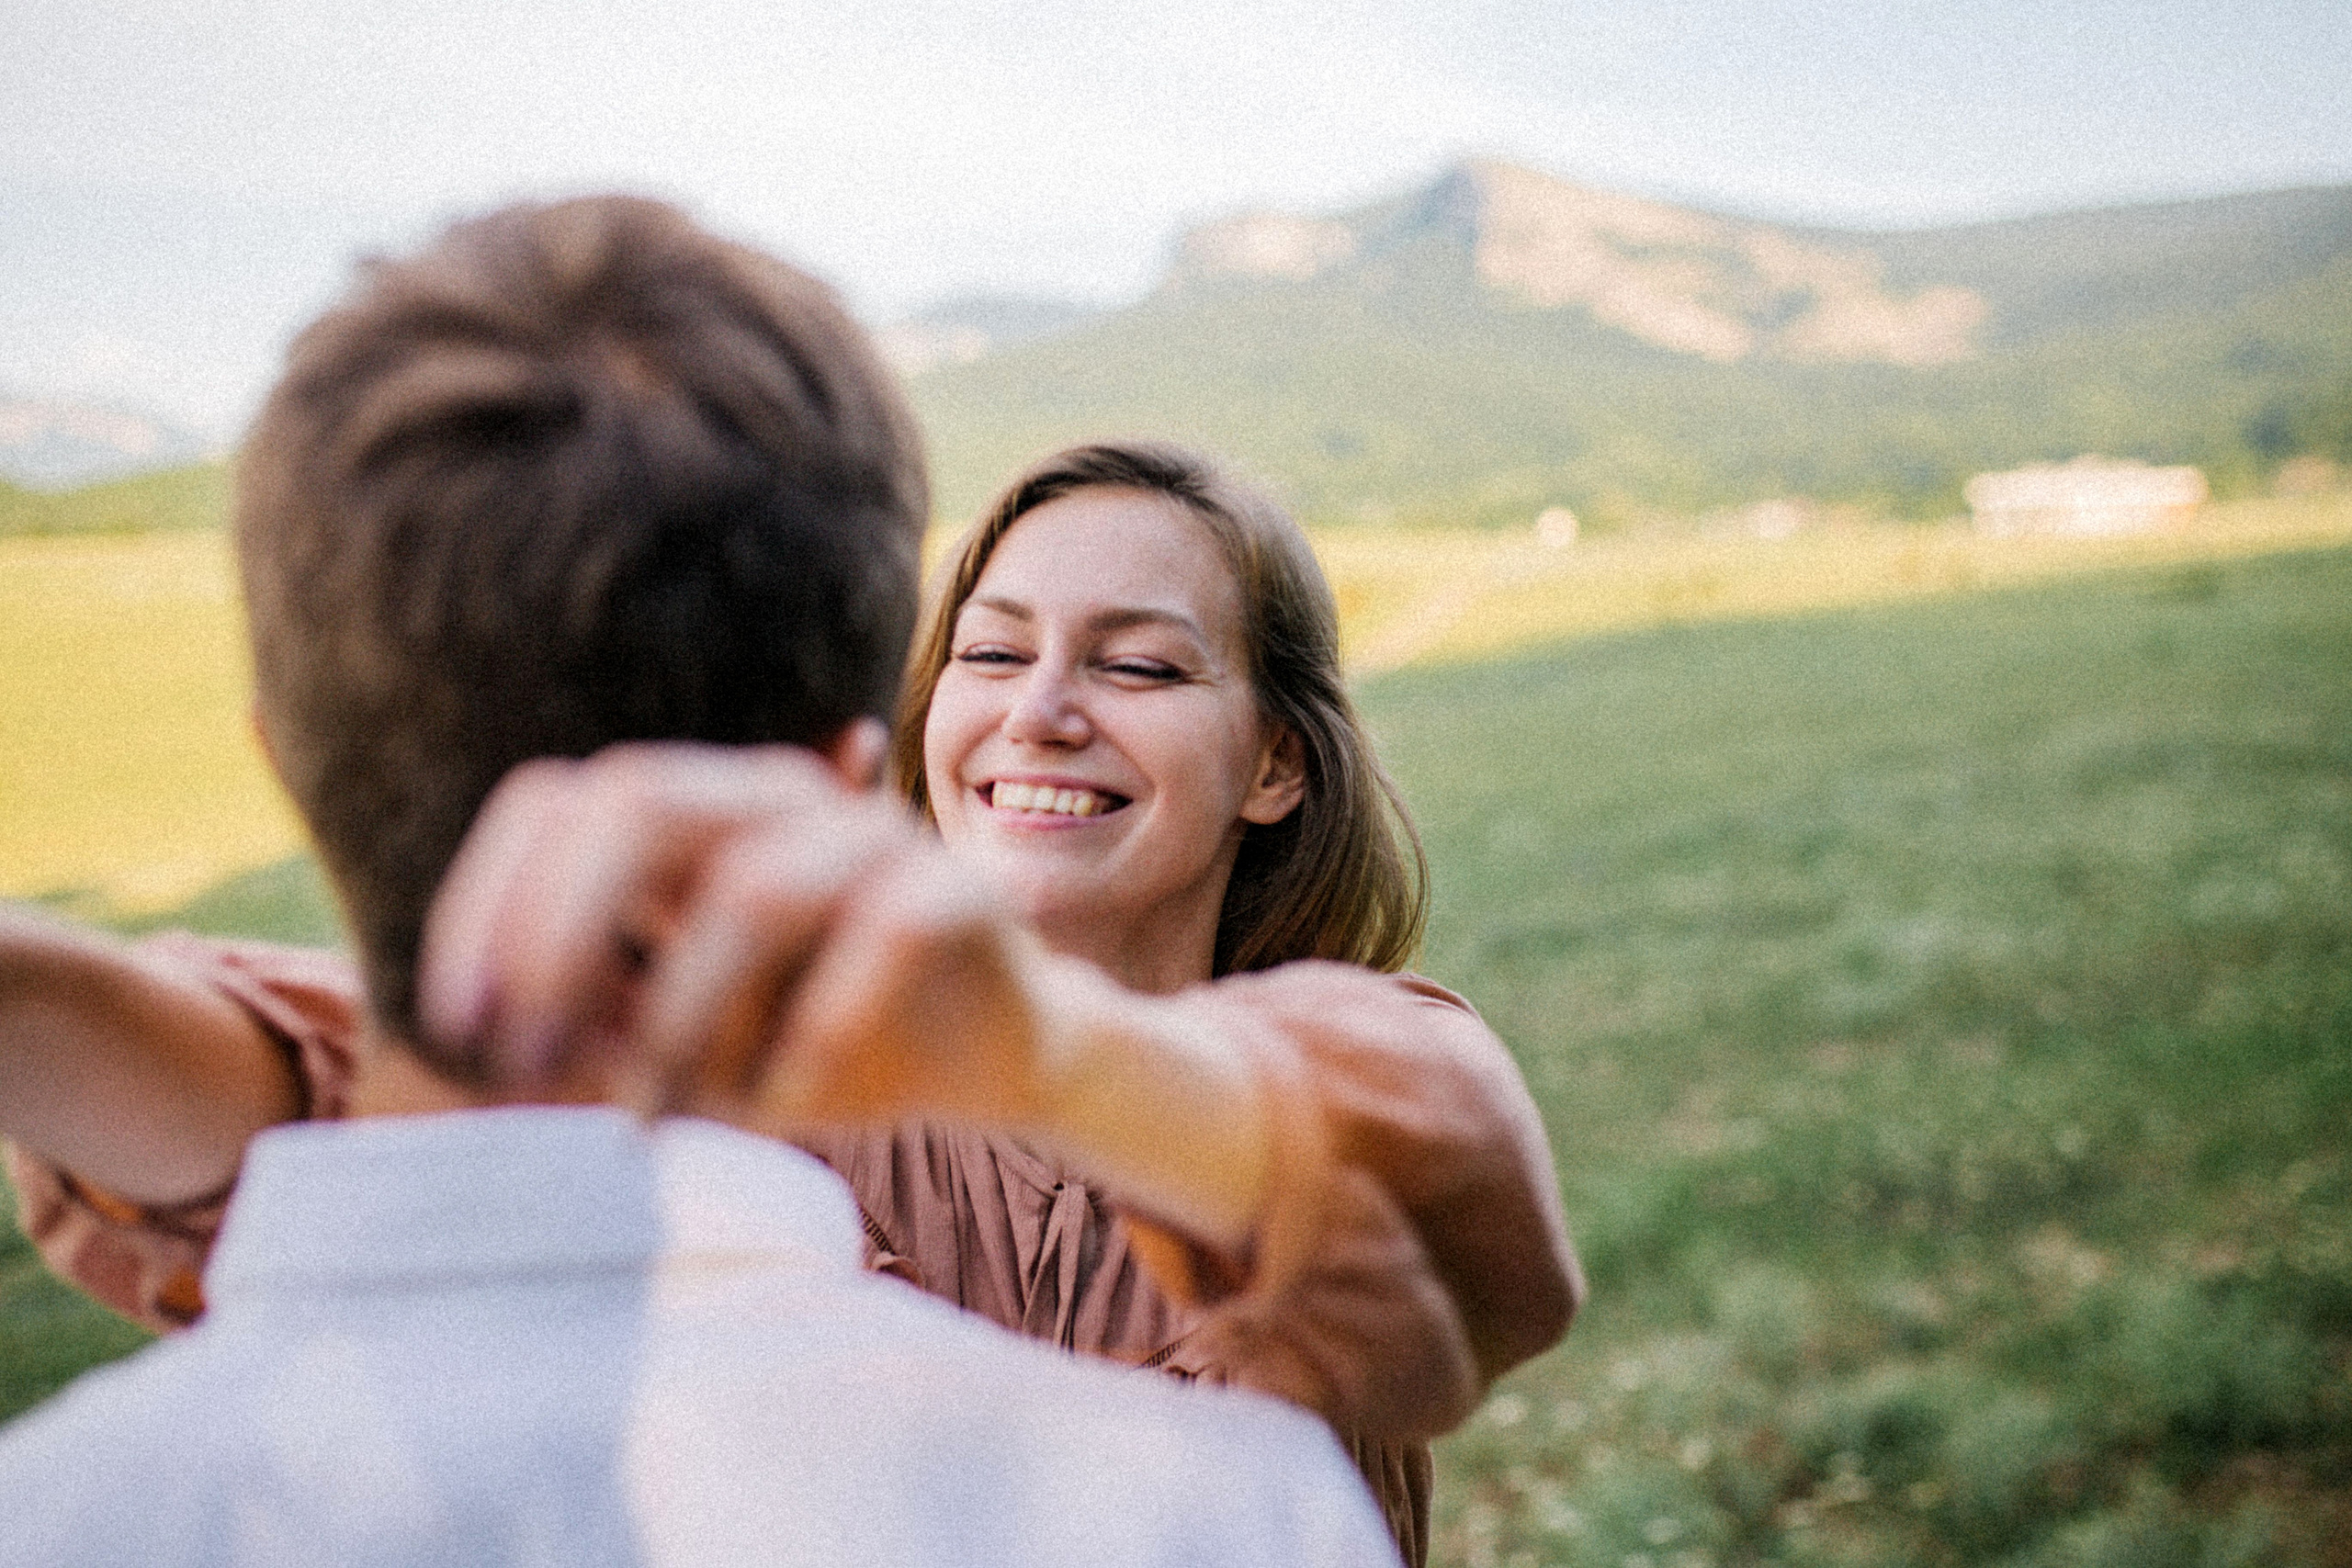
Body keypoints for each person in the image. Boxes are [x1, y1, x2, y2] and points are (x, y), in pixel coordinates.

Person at [1, 325, 1580, 1568]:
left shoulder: (1364, 1058)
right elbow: (373, 1097)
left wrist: (1042, 1048)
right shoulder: (778, 1096)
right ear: (886, 734)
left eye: (1143, 666)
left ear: (1277, 765)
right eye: (991, 650)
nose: (1040, 711)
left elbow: (1450, 1208)